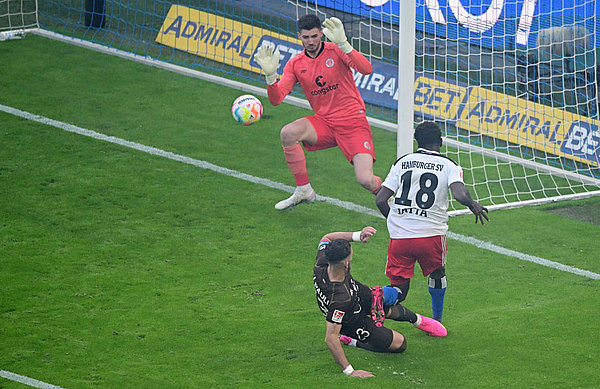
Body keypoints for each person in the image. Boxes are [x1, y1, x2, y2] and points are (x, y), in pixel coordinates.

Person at [254, 14, 381, 210]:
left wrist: (345, 44)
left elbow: (366, 69)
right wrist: (271, 78)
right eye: (306, 37)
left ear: (322, 33)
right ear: (299, 36)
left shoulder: (336, 50)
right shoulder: (295, 64)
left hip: (353, 123)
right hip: (325, 123)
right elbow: (276, 99)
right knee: (288, 133)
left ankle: (390, 194)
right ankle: (303, 189)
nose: (311, 41)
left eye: (314, 36)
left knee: (365, 180)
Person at [375, 121, 489, 323]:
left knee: (399, 291)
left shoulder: (403, 161)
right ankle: (437, 319)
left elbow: (381, 199)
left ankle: (371, 296)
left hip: (400, 239)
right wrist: (473, 205)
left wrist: (397, 222)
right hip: (431, 236)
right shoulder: (449, 165)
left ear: (417, 141)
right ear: (440, 141)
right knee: (437, 273)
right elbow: (459, 193)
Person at [313, 226, 447, 378]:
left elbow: (328, 237)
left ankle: (418, 320)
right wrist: (350, 371)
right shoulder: (339, 299)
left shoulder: (323, 261)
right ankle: (353, 341)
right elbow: (330, 337)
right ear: (346, 264)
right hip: (353, 321)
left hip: (357, 292)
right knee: (400, 344)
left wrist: (358, 235)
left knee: (383, 304)